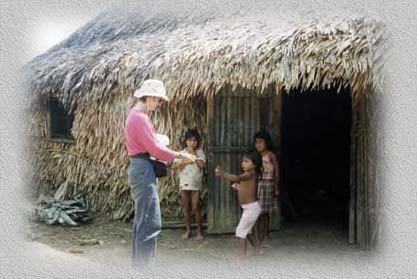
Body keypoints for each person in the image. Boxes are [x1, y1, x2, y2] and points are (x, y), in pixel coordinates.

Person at [124, 79, 195, 265]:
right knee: (149, 221)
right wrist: (178, 155)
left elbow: (152, 145)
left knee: (142, 220)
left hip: (141, 167)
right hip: (143, 168)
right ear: (149, 97)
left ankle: (139, 266)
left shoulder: (135, 116)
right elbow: (155, 148)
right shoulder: (140, 118)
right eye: (158, 100)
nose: (159, 104)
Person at [215, 150, 263, 260]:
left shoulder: (250, 174)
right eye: (243, 161)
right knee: (248, 231)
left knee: (241, 231)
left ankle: (241, 258)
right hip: (250, 208)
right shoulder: (249, 175)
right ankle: (257, 249)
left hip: (251, 208)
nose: (243, 163)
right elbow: (247, 189)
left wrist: (223, 174)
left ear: (255, 164)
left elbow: (237, 178)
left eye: (246, 161)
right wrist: (239, 188)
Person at [172, 128, 205, 240]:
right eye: (190, 140)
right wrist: (188, 160)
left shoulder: (200, 152)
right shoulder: (181, 153)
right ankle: (188, 230)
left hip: (195, 184)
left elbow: (201, 165)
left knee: (195, 207)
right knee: (186, 207)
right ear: (185, 141)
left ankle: (200, 231)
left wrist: (193, 154)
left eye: (195, 140)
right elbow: (176, 166)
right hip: (184, 183)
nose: (192, 143)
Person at [253, 130, 280, 245]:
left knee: (265, 213)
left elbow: (276, 172)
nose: (258, 144)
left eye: (261, 142)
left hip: (268, 185)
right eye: (256, 142)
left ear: (266, 143)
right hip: (256, 184)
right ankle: (256, 236)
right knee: (254, 211)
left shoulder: (271, 155)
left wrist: (276, 187)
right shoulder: (254, 156)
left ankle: (265, 235)